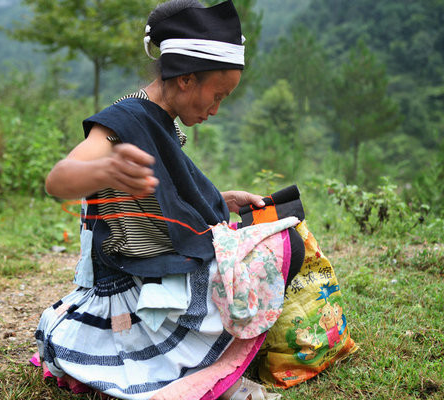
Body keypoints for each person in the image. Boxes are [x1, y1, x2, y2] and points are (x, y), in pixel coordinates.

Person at [32, 1, 303, 399]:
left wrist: (220, 198)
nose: (216, 109)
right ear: (186, 79)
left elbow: (163, 197)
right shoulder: (122, 121)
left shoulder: (160, 121)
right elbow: (58, 180)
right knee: (280, 246)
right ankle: (192, 361)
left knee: (275, 230)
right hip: (137, 285)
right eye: (218, 95)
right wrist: (104, 170)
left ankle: (206, 352)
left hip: (156, 269)